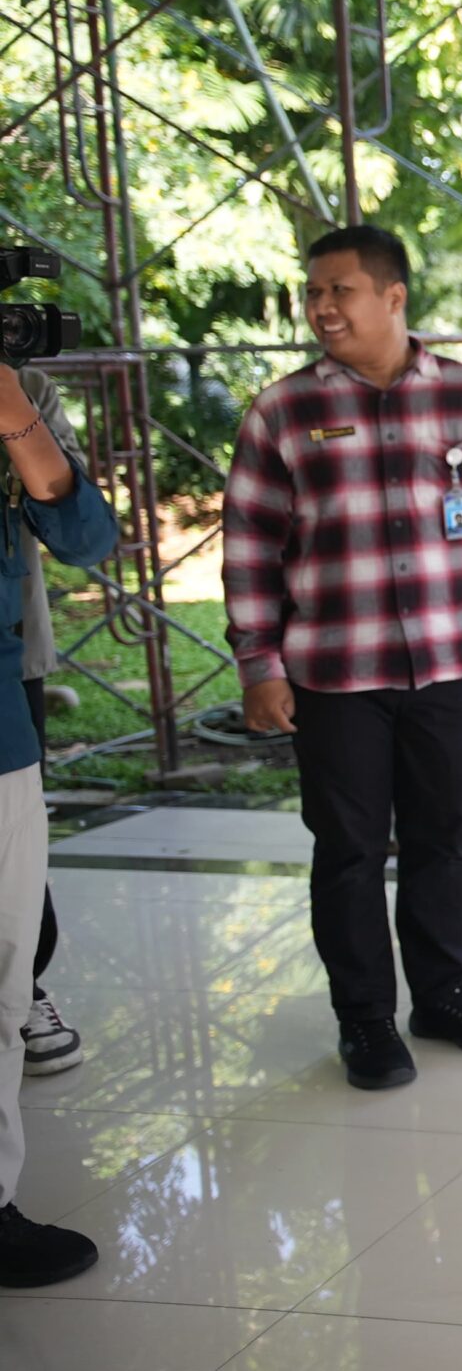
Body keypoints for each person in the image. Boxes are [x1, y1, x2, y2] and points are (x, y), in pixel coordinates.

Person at [223, 223, 462, 1091]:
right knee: (349, 851)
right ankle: (365, 1020)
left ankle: (442, 997)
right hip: (334, 676)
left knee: (444, 840)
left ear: (393, 296)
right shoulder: (283, 410)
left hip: (447, 664)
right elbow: (249, 547)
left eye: (341, 290)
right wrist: (258, 664)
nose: (322, 307)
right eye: (314, 292)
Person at [0, 356, 120, 1286]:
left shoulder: (20, 391)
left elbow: (84, 533)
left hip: (0, 716)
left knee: (5, 961)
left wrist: (10, 409)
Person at [16, 367, 87, 1078]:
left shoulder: (26, 385)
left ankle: (23, 989)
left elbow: (77, 525)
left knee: (14, 833)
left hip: (10, 657)